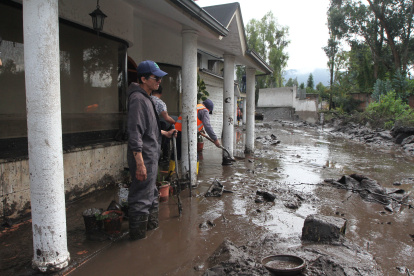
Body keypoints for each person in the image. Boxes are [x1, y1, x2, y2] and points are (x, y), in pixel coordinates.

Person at [127, 60, 177, 241]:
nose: (159, 82)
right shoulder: (138, 100)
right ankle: (138, 241)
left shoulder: (147, 98)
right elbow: (135, 133)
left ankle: (151, 233)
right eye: (156, 78)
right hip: (144, 158)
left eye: (159, 78)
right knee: (141, 197)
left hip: (150, 156)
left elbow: (149, 130)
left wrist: (165, 133)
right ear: (143, 78)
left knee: (151, 194)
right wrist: (139, 163)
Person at [169, 99, 221, 173]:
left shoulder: (195, 106)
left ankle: (169, 175)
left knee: (176, 153)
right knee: (194, 155)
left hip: (177, 132)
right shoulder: (205, 110)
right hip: (187, 134)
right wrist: (215, 139)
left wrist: (199, 129)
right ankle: (194, 176)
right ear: (209, 109)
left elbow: (192, 121)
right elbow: (208, 126)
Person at [151, 85, 176, 162]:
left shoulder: (146, 99)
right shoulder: (160, 103)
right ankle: (165, 157)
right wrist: (174, 122)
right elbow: (166, 118)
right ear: (161, 93)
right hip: (155, 127)